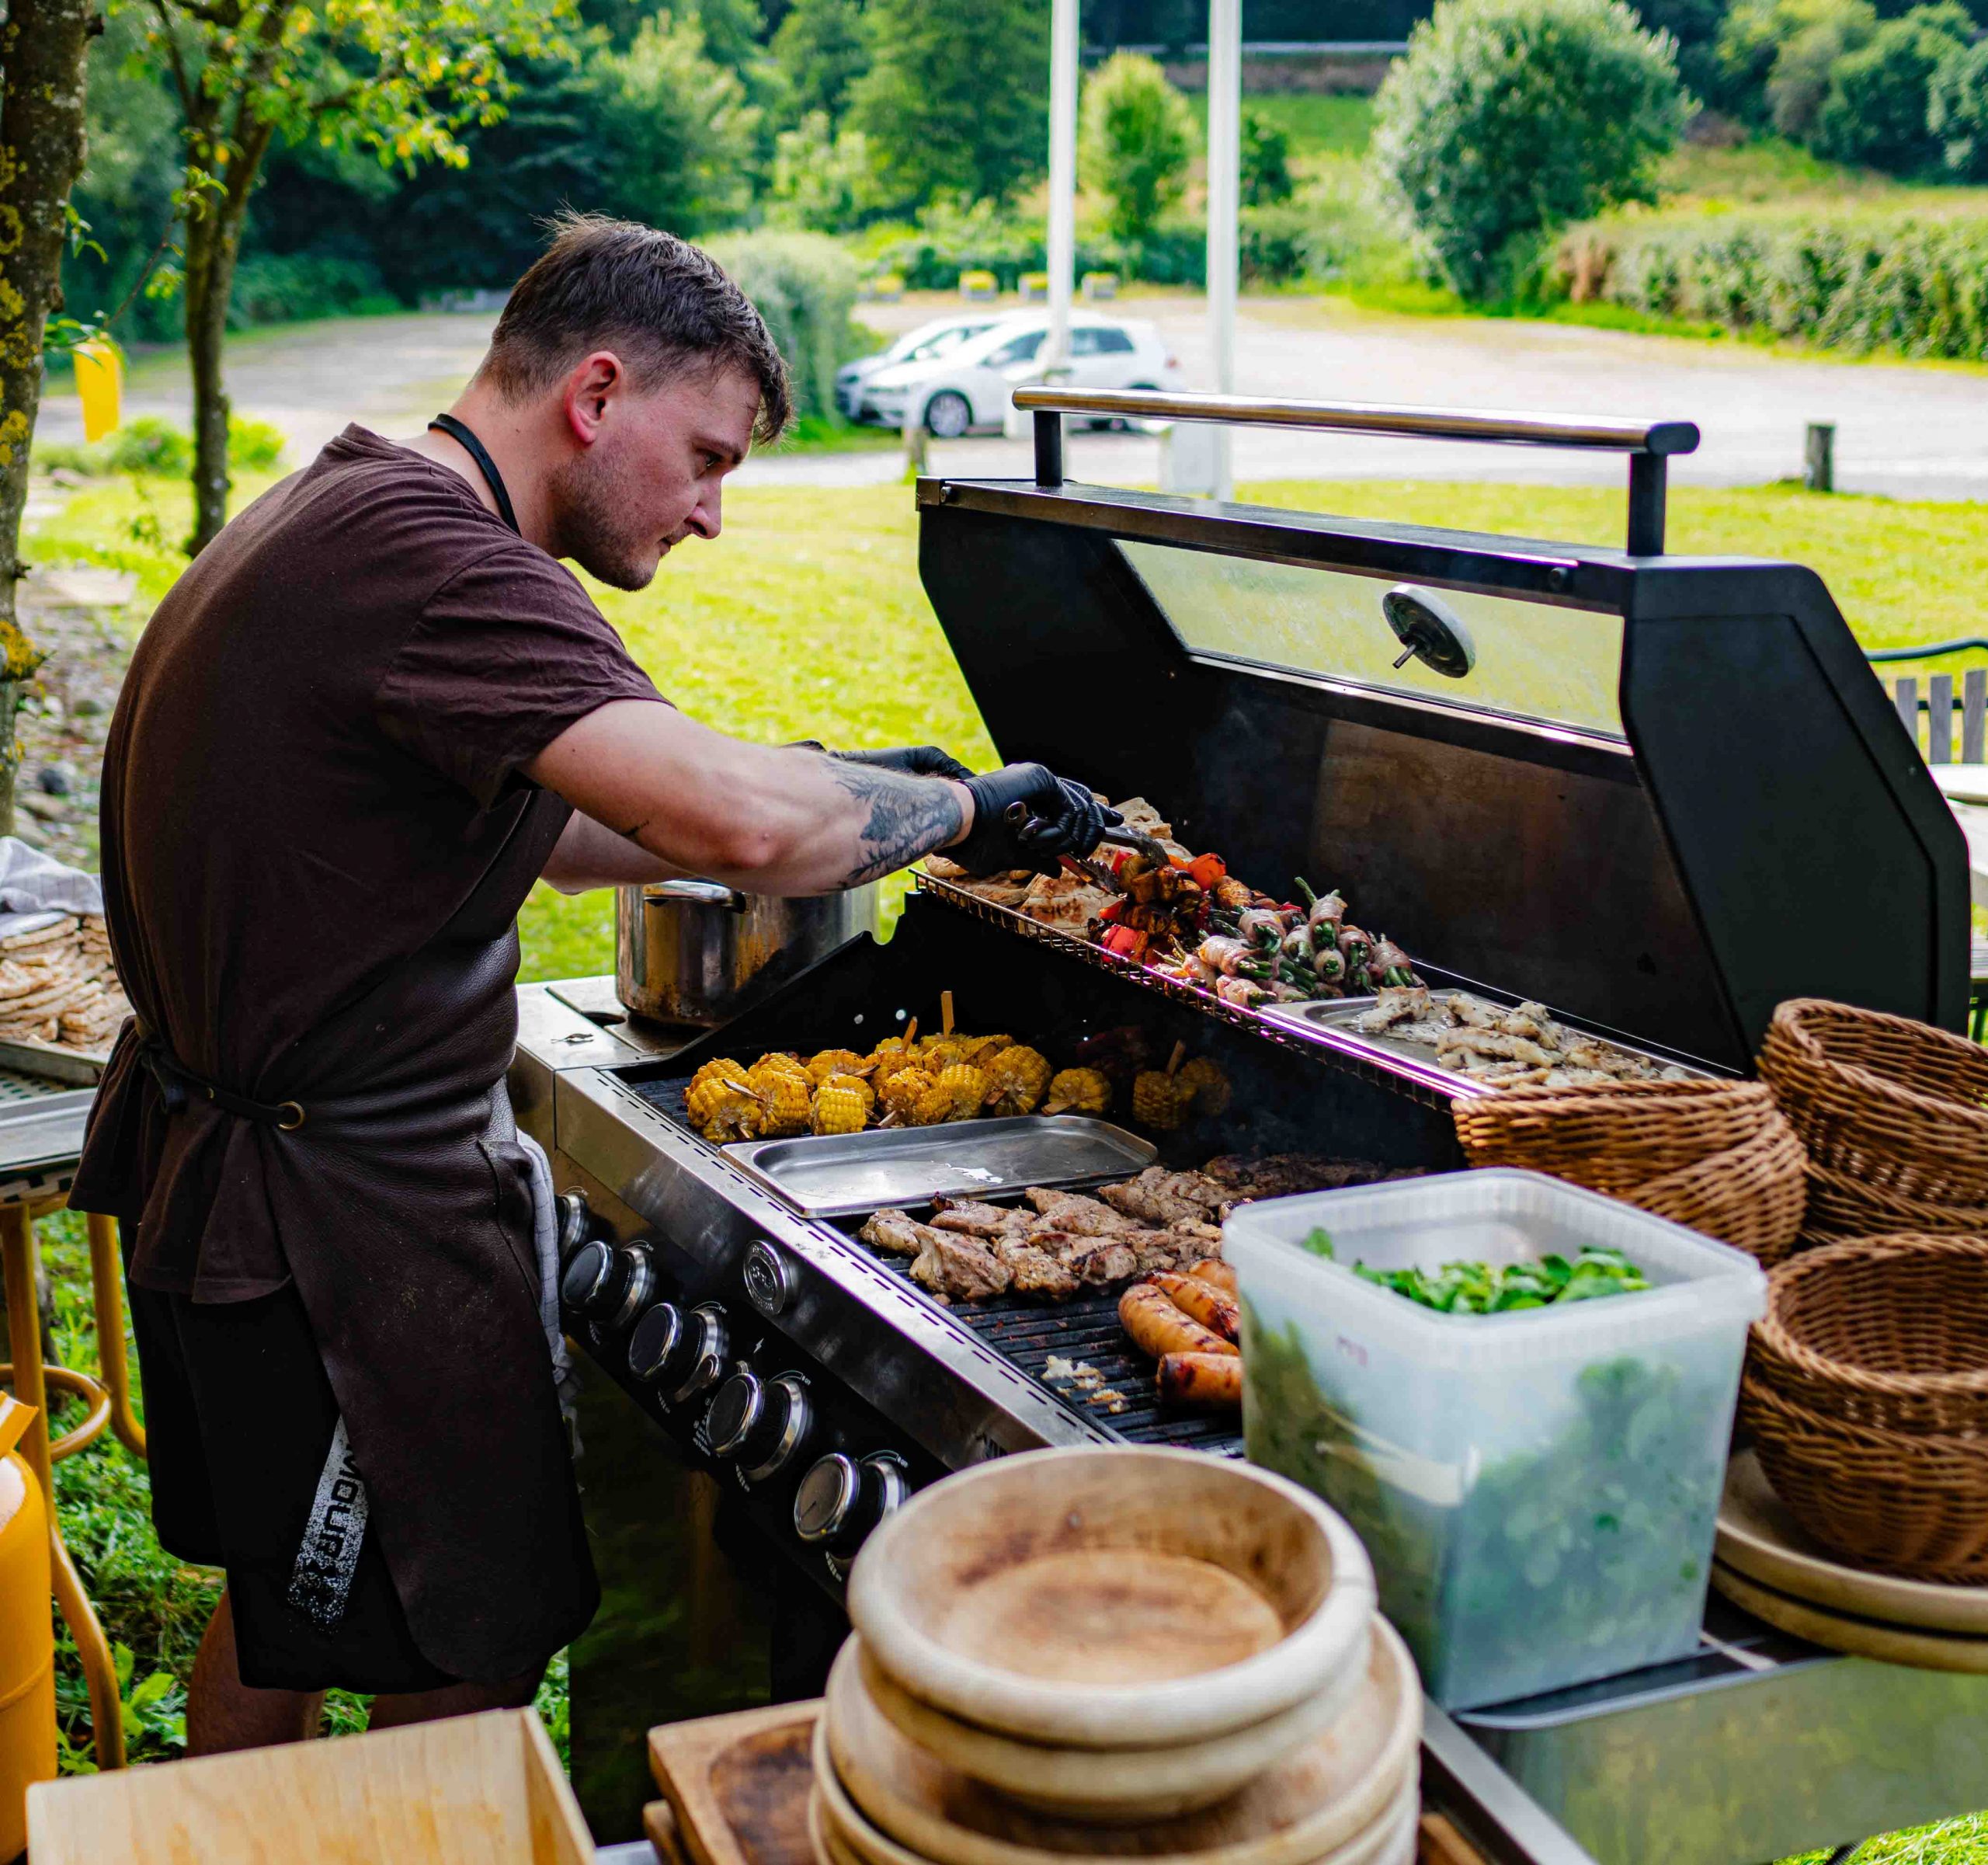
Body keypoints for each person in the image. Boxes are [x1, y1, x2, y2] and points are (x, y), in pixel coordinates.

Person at [70, 213, 1113, 1755]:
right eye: (707, 461)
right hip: (338, 1232)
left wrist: (848, 784)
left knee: (289, 1612)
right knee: (467, 1659)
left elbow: (553, 831)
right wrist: (961, 813)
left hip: (242, 1186)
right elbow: (733, 821)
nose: (707, 518)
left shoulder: (341, 509)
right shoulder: (448, 566)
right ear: (598, 395)